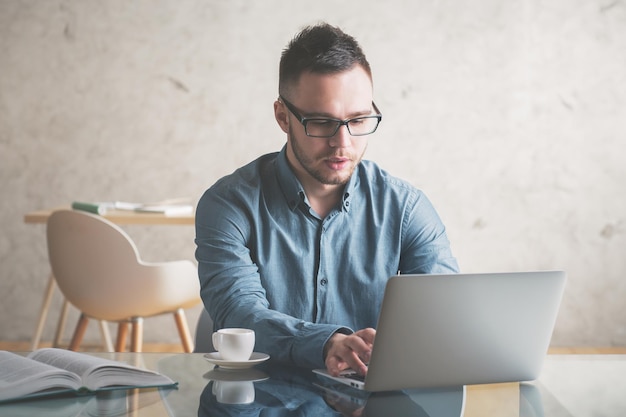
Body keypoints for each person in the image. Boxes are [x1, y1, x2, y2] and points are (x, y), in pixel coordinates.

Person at [195, 22, 459, 378]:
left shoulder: (406, 208)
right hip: (262, 398)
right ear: (282, 116)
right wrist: (327, 343)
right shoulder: (229, 205)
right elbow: (239, 313)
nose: (343, 143)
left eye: (358, 119)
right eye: (321, 123)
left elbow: (442, 314)